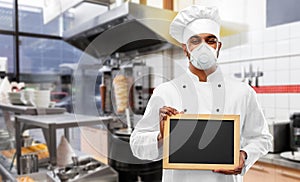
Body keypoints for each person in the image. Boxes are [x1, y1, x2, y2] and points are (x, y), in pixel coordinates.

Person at [130, 5, 272, 182]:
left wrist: (244, 155)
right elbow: (136, 144)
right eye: (195, 41)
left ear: (218, 46)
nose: (203, 47)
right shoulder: (166, 91)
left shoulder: (243, 92)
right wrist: (161, 136)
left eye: (210, 40)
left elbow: (262, 138)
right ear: (185, 48)